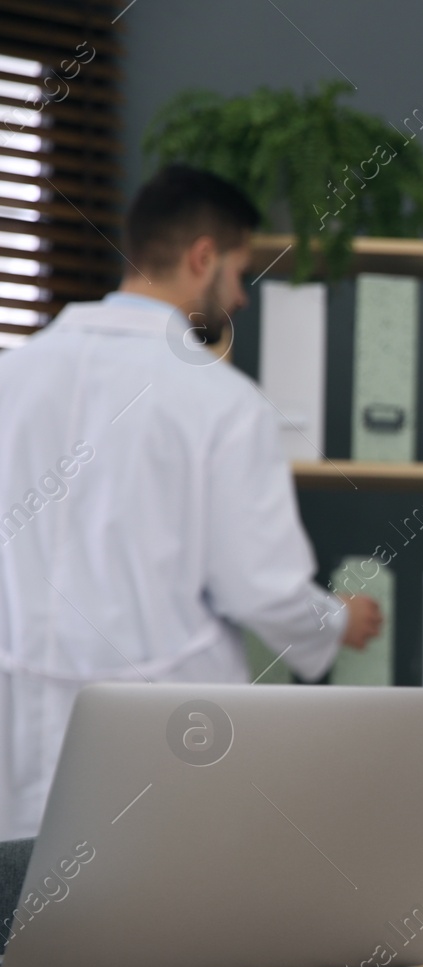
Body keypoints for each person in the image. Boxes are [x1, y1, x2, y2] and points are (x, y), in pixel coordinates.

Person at [0, 164, 383, 841]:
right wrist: (335, 620)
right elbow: (259, 588)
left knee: (16, 927)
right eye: (238, 271)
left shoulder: (13, 376)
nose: (239, 296)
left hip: (17, 731)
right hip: (161, 736)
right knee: (155, 933)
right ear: (201, 256)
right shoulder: (222, 401)